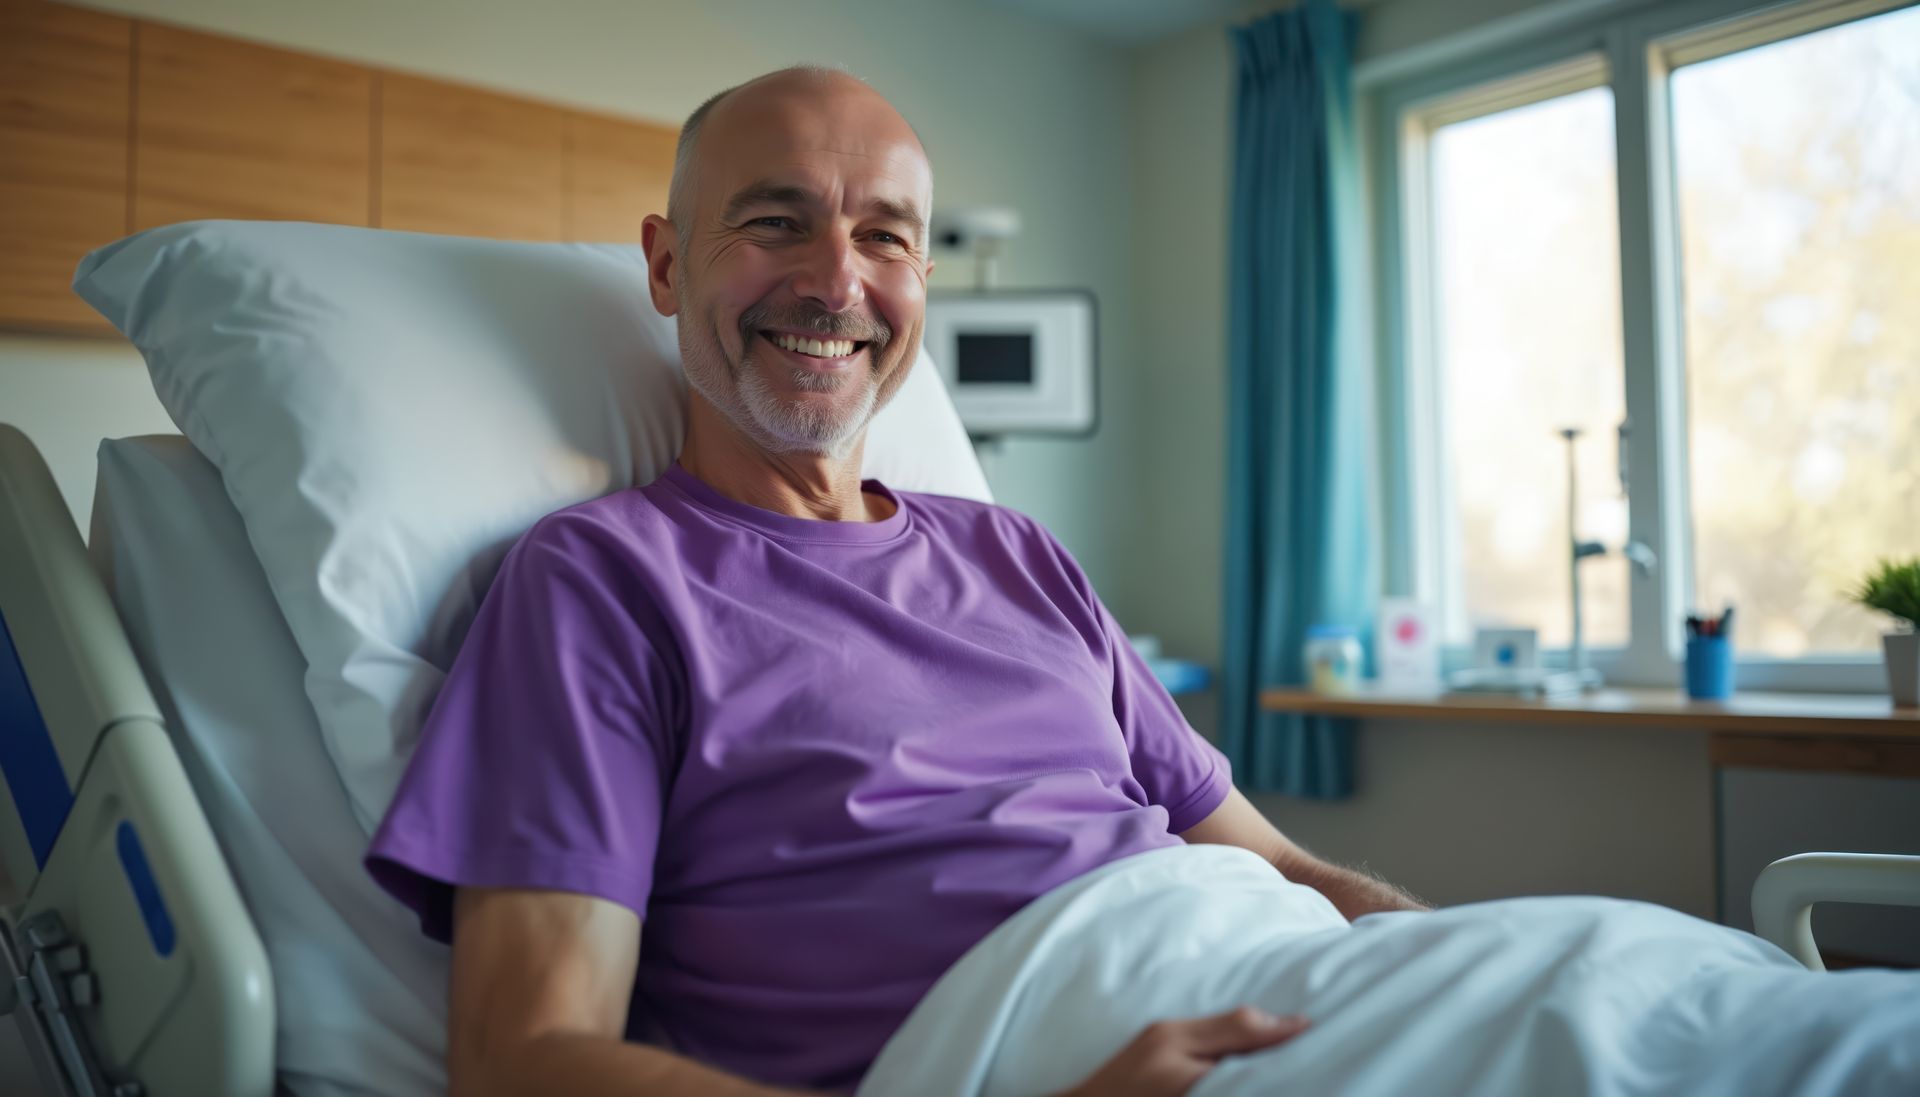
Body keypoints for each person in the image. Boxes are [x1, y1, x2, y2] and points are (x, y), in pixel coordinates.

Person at [365, 65, 1426, 1097]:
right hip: (1060, 1033)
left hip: (1291, 972)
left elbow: (1283, 864)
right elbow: (527, 1059)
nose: (837, 283)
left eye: (884, 236)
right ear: (667, 265)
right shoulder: (601, 582)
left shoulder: (1020, 555)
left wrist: (1439, 946)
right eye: (775, 222)